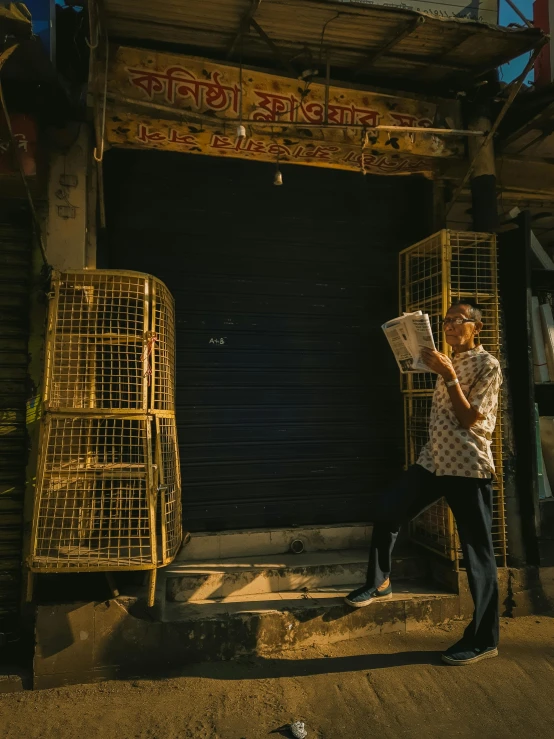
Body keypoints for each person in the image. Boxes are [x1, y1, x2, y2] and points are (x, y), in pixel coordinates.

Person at [345, 299, 502, 666]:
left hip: (466, 464)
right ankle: (380, 581)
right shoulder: (448, 359)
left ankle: (484, 639)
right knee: (388, 510)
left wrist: (448, 375)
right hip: (434, 460)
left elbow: (469, 420)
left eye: (456, 321)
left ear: (476, 327)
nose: (448, 327)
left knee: (478, 555)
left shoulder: (487, 364)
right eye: (445, 321)